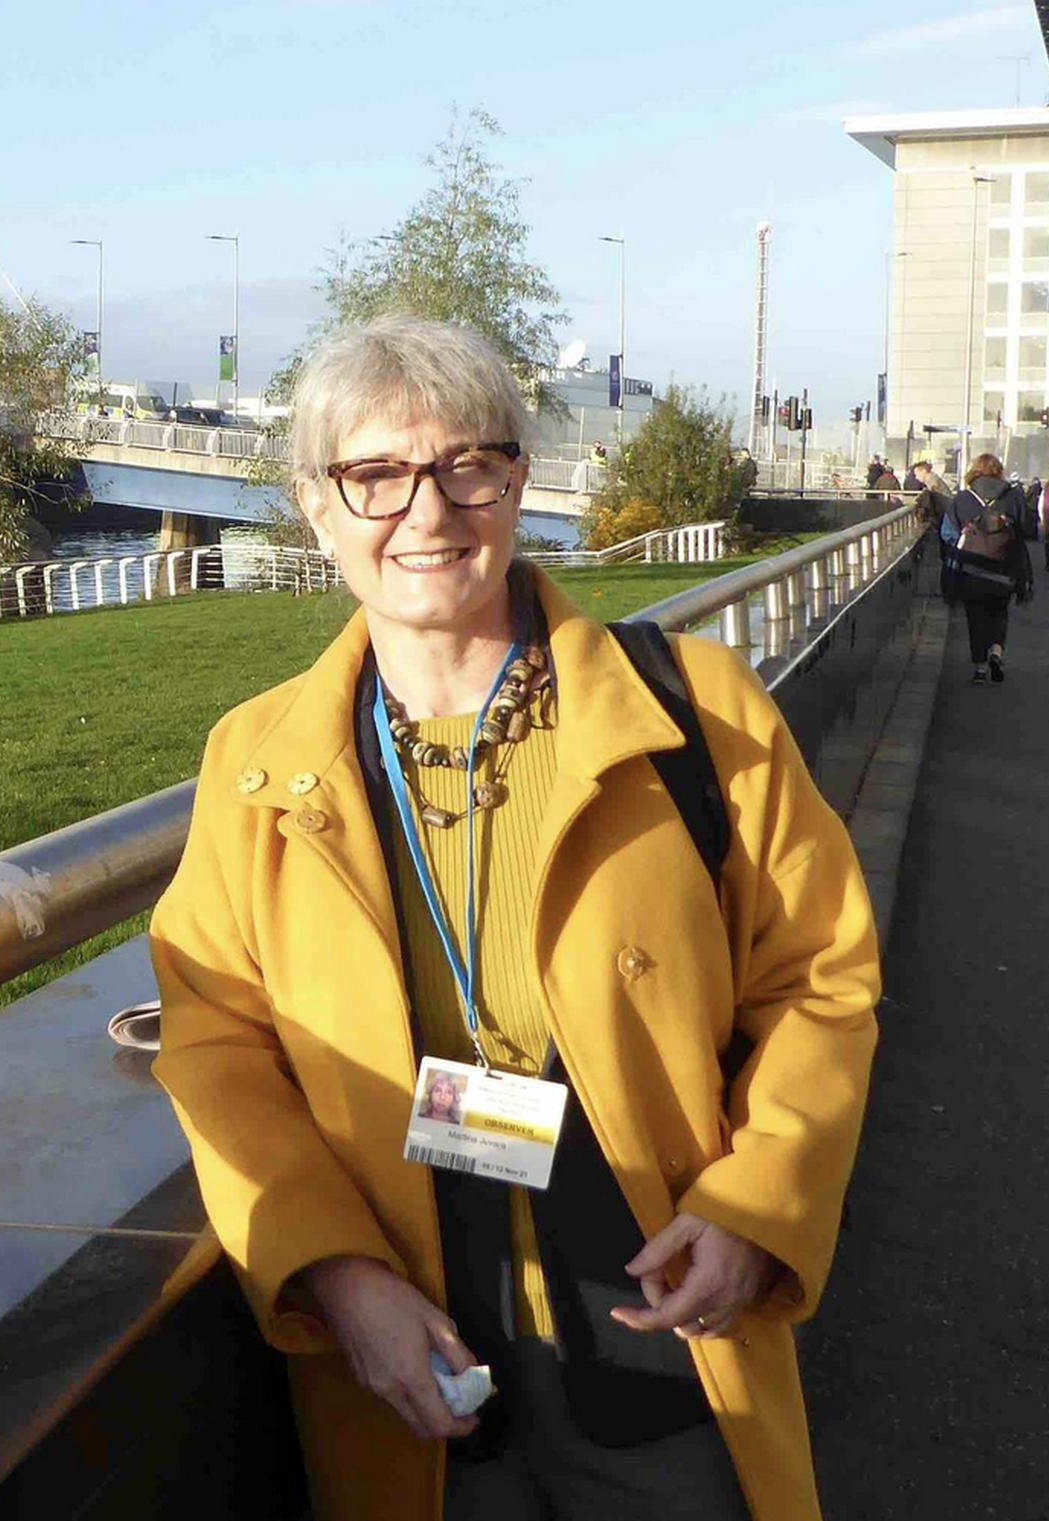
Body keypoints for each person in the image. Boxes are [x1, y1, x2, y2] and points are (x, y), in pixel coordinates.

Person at [151, 315, 881, 1521]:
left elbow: (823, 977)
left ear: (516, 482)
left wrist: (758, 1203)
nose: (427, 513)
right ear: (317, 508)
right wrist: (335, 1276)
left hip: (663, 1324)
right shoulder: (256, 764)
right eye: (376, 475)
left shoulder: (698, 713)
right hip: (412, 1353)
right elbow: (218, 1045)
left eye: (465, 467)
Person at [946, 454, 1034, 682]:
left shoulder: (963, 498)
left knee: (975, 617)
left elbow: (948, 533)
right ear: (999, 471)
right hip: (1005, 568)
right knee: (999, 612)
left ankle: (979, 667)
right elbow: (1027, 528)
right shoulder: (1013, 496)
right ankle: (996, 650)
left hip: (972, 569)